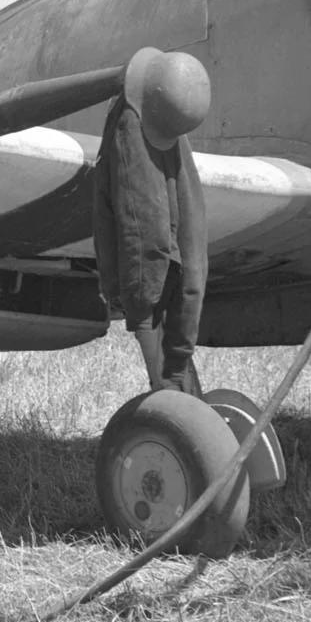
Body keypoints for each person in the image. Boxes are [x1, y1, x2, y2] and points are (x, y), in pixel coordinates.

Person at [93, 48, 210, 394]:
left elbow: (145, 235)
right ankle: (175, 387)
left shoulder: (138, 123)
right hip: (163, 301)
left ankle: (172, 390)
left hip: (153, 296)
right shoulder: (158, 127)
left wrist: (139, 306)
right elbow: (158, 238)